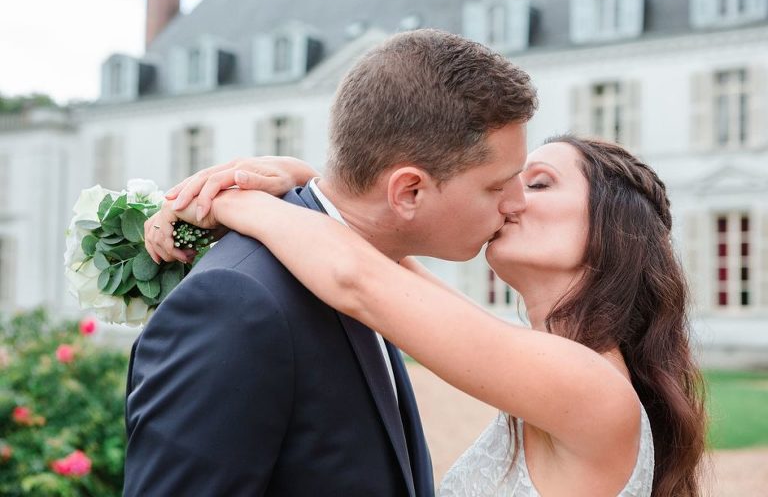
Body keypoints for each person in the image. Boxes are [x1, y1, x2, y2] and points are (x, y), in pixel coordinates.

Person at [149, 136, 707, 496]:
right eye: (504, 182)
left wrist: (221, 200)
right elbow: (386, 269)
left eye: (536, 183)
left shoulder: (590, 388)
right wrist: (301, 181)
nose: (509, 199)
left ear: (614, 229)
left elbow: (360, 280)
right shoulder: (559, 367)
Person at [123, 28, 537, 496]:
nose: (517, 203)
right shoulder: (238, 303)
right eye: (498, 185)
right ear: (409, 192)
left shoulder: (379, 276)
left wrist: (251, 195)